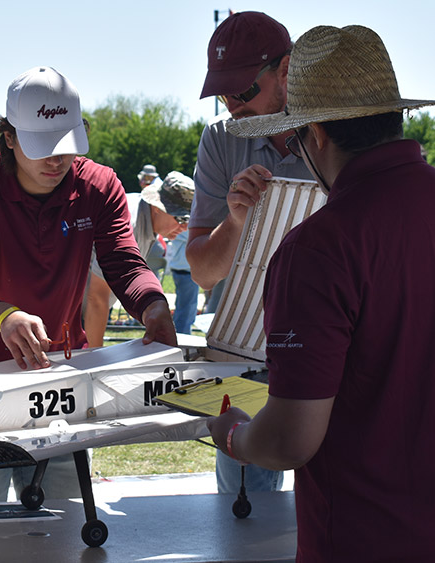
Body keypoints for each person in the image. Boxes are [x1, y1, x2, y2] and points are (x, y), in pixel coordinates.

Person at [210, 25, 435, 560]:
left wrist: (234, 436)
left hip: (373, 536)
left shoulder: (317, 248)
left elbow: (291, 439)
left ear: (316, 135)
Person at [0, 66, 175, 503]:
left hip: (59, 377)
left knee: (62, 521)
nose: (56, 160)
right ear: (8, 136)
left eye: (66, 144)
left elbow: (123, 261)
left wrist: (152, 303)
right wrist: (3, 315)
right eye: (42, 146)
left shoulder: (98, 184)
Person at [186, 10, 311, 496]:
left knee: (336, 505)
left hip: (334, 348)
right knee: (247, 513)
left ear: (285, 72)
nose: (232, 106)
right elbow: (202, 272)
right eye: (222, 94)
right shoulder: (220, 139)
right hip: (244, 353)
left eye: (242, 92)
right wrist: (235, 220)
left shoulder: (334, 134)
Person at [84, 170, 194, 347]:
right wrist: (95, 359)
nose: (184, 227)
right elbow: (96, 298)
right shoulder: (130, 223)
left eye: (189, 220)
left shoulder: (147, 218)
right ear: (158, 207)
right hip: (76, 313)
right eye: (181, 218)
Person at [165, 230, 198, 334]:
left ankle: (181, 334)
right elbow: (196, 236)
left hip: (183, 269)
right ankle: (182, 336)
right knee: (186, 309)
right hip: (185, 271)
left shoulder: (180, 229)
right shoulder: (184, 230)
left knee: (186, 306)